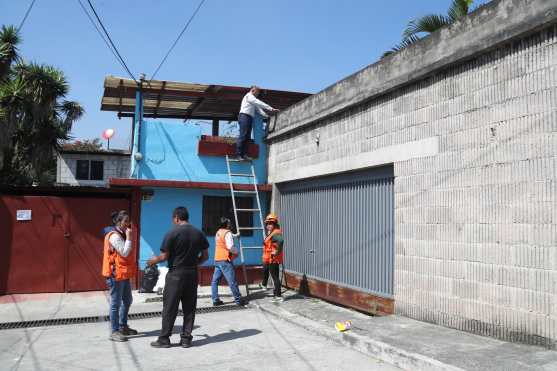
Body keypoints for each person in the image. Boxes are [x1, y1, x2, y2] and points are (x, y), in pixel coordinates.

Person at [147, 206, 209, 348]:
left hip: (176, 274)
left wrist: (153, 261)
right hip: (192, 274)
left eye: (173, 219)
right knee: (189, 308)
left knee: (170, 307)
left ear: (176, 217)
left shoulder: (172, 233)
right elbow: (205, 256)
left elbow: (164, 256)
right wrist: (194, 263)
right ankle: (186, 339)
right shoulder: (198, 233)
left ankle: (164, 339)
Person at [101, 210, 138, 342]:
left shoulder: (121, 233)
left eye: (129, 221)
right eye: (126, 221)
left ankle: (123, 326)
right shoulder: (114, 236)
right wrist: (129, 237)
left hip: (123, 273)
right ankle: (114, 331)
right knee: (115, 303)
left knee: (127, 300)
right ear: (118, 222)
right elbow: (124, 252)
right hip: (115, 274)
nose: (128, 224)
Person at [236, 86, 279, 160]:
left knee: (247, 137)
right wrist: (271, 108)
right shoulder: (249, 96)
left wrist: (266, 116)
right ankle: (239, 155)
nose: (258, 94)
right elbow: (258, 103)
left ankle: (244, 154)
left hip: (249, 117)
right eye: (257, 92)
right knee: (243, 135)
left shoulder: (252, 99)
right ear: (253, 90)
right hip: (244, 116)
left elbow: (258, 109)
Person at [211, 217, 246, 307]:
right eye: (229, 223)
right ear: (226, 224)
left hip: (217, 259)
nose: (230, 224)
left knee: (215, 281)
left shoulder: (218, 232)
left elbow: (225, 238)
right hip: (225, 260)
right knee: (232, 281)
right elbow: (230, 246)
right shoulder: (228, 233)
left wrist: (235, 235)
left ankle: (215, 300)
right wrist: (236, 252)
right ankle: (238, 300)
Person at [262, 213, 284, 301]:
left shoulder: (276, 233)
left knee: (275, 278)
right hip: (270, 259)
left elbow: (281, 241)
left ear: (274, 224)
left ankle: (278, 296)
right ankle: (276, 294)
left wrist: (276, 252)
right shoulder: (273, 233)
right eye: (267, 224)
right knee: (273, 276)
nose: (268, 225)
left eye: (270, 223)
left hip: (273, 259)